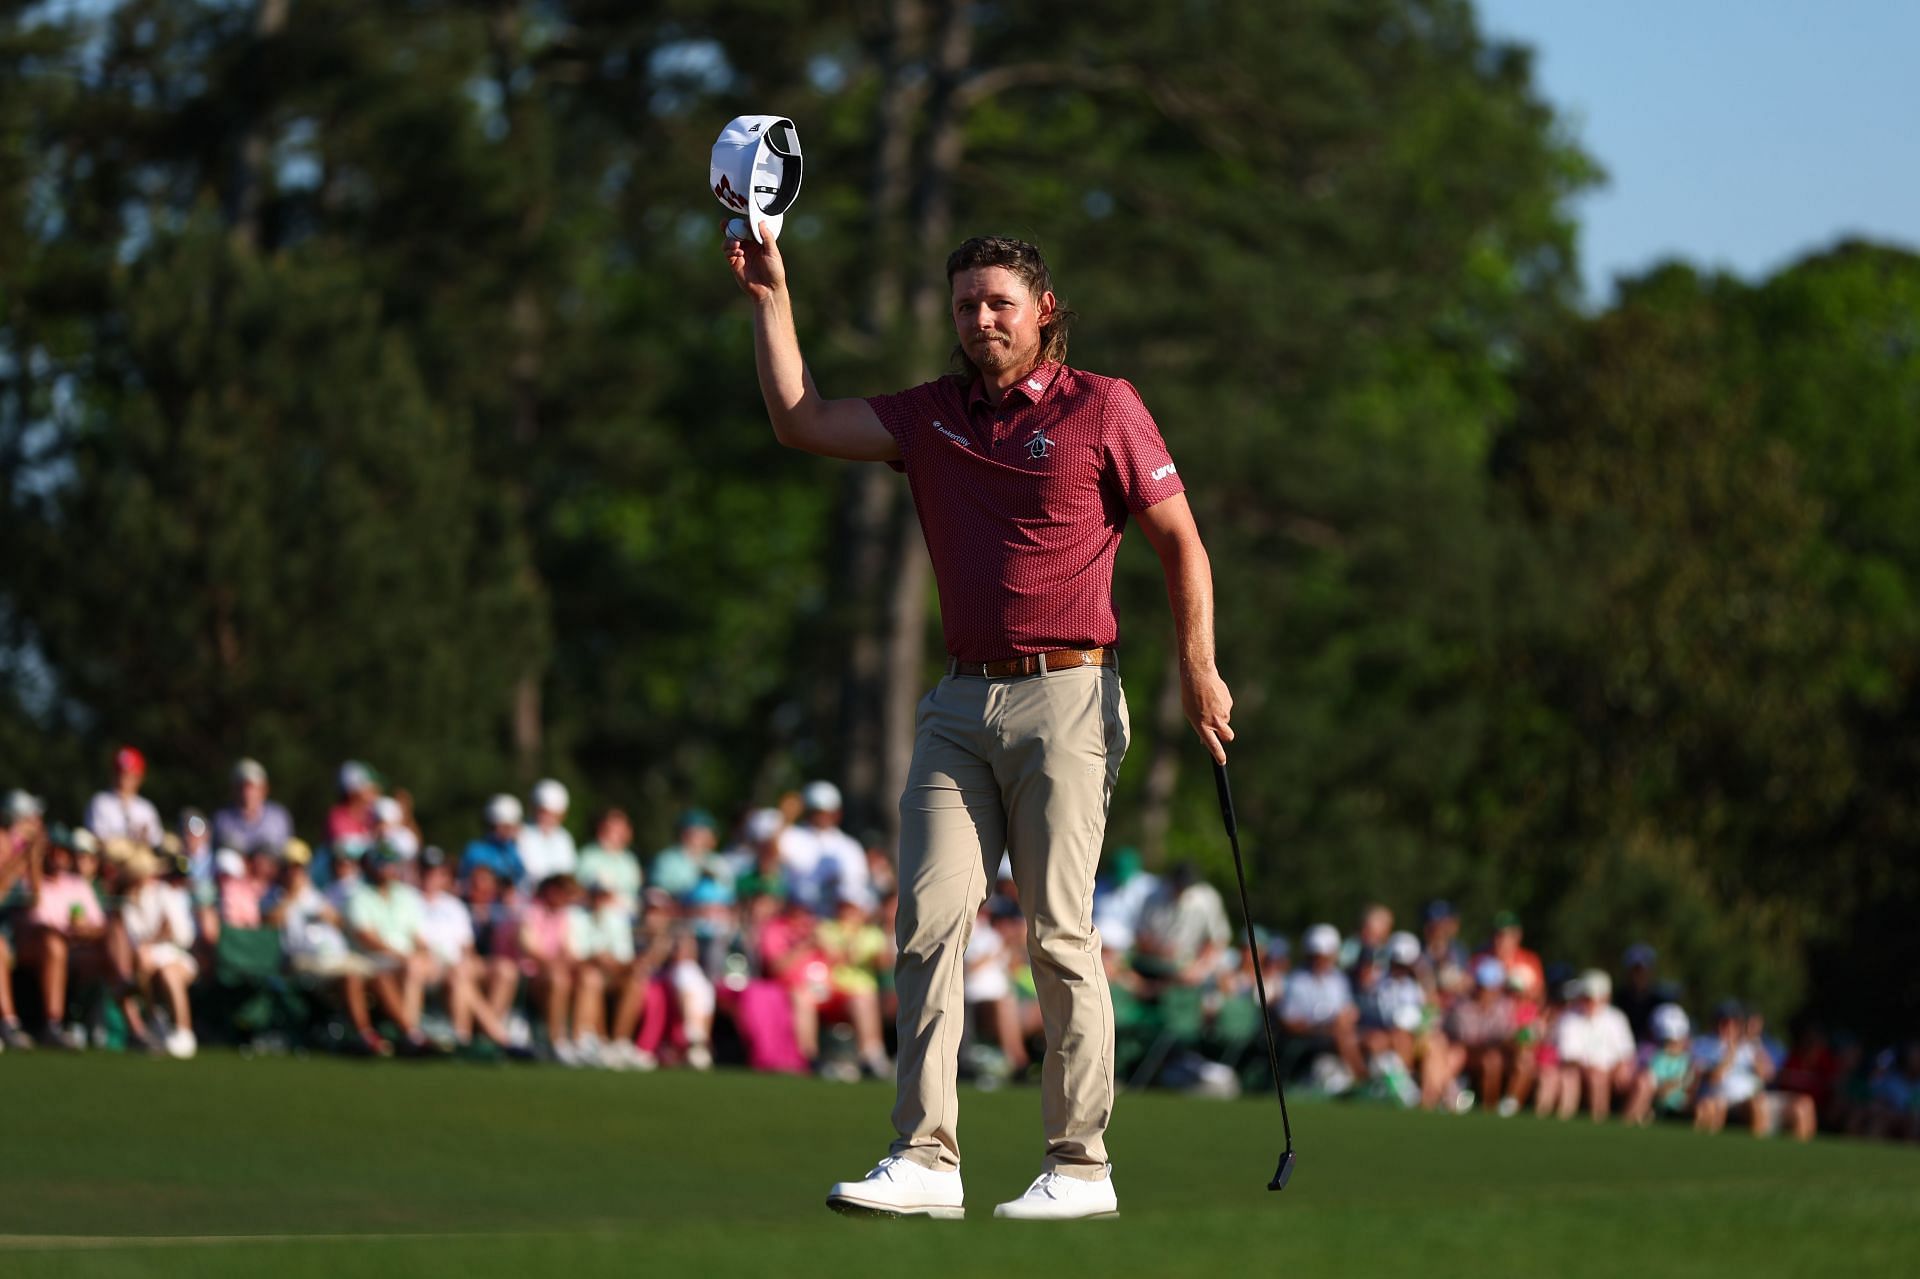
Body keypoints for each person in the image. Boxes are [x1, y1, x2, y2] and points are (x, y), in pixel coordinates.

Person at [731, 227, 1229, 1219]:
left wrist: (1199, 667)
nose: (982, 320)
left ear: (1043, 308)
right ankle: (927, 1157)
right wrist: (771, 293)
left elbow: (1181, 539)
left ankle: (1081, 1166)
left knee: (1058, 935)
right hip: (960, 700)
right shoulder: (932, 416)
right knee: (925, 924)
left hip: (1072, 692)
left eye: (999, 302)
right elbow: (800, 419)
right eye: (966, 305)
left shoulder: (1105, 405)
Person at [116, 847, 200, 1057]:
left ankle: (183, 1031)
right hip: (147, 959)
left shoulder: (165, 893)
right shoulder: (128, 903)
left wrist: (157, 938)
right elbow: (138, 939)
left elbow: (183, 936)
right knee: (140, 966)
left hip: (176, 955)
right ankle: (154, 1020)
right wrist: (157, 937)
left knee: (169, 974)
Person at [1279, 924, 1368, 1085]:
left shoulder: (1338, 979)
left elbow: (1347, 1011)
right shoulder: (1296, 981)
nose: (1320, 961)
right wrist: (1320, 1027)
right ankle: (1362, 1079)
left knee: (1366, 1037)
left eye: (1325, 957)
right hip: (1310, 1034)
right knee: (1343, 1034)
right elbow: (1289, 1021)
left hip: (1338, 1030)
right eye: (1317, 956)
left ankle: (1364, 1077)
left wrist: (1343, 1021)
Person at [1548, 970, 1637, 1121]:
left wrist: (1618, 1069)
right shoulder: (1569, 1019)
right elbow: (1568, 1056)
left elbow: (1627, 1054)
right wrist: (1591, 1069)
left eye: (1594, 998)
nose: (1590, 1003)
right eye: (1586, 998)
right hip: (1581, 1071)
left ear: (1605, 998)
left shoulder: (1617, 1018)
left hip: (1610, 1071)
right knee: (1581, 1077)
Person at [778, 783, 868, 915]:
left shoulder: (849, 846)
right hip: (797, 914)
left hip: (836, 919)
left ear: (837, 813)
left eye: (826, 812)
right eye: (816, 812)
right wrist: (785, 817)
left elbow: (856, 887)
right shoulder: (791, 836)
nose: (821, 817)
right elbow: (772, 858)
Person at [1625, 1003, 1699, 1126]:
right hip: (1656, 1101)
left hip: (1680, 1103)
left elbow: (1691, 1083)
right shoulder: (1651, 1053)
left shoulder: (1689, 1056)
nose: (1674, 1044)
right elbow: (1653, 1083)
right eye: (1669, 1041)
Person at [212, 758, 293, 857]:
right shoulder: (221, 819)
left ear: (264, 789)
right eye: (241, 787)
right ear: (233, 790)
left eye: (251, 787)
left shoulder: (278, 818)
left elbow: (287, 856)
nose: (246, 793)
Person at [85, 746, 164, 848]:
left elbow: (157, 842)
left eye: (128, 774)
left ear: (139, 777)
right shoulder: (100, 802)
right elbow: (98, 840)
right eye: (119, 772)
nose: (122, 779)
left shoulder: (146, 808)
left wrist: (145, 840)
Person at [650, 809, 731, 900]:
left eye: (702, 832)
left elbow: (727, 891)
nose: (697, 837)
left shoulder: (718, 861)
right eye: (693, 832)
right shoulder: (666, 859)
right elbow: (659, 891)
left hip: (714, 910)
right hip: (677, 910)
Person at [576, 808, 643, 916]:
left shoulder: (630, 860)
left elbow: (633, 892)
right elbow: (582, 888)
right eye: (610, 829)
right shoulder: (588, 855)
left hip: (626, 913)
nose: (614, 834)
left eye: (619, 830)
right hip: (594, 911)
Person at [519, 779, 578, 886]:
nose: (546, 818)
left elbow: (567, 873)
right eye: (543, 812)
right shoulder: (521, 834)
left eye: (552, 814)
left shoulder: (564, 838)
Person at [461, 795, 527, 889]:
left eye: (511, 827)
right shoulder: (476, 850)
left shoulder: (517, 849)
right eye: (505, 826)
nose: (508, 831)